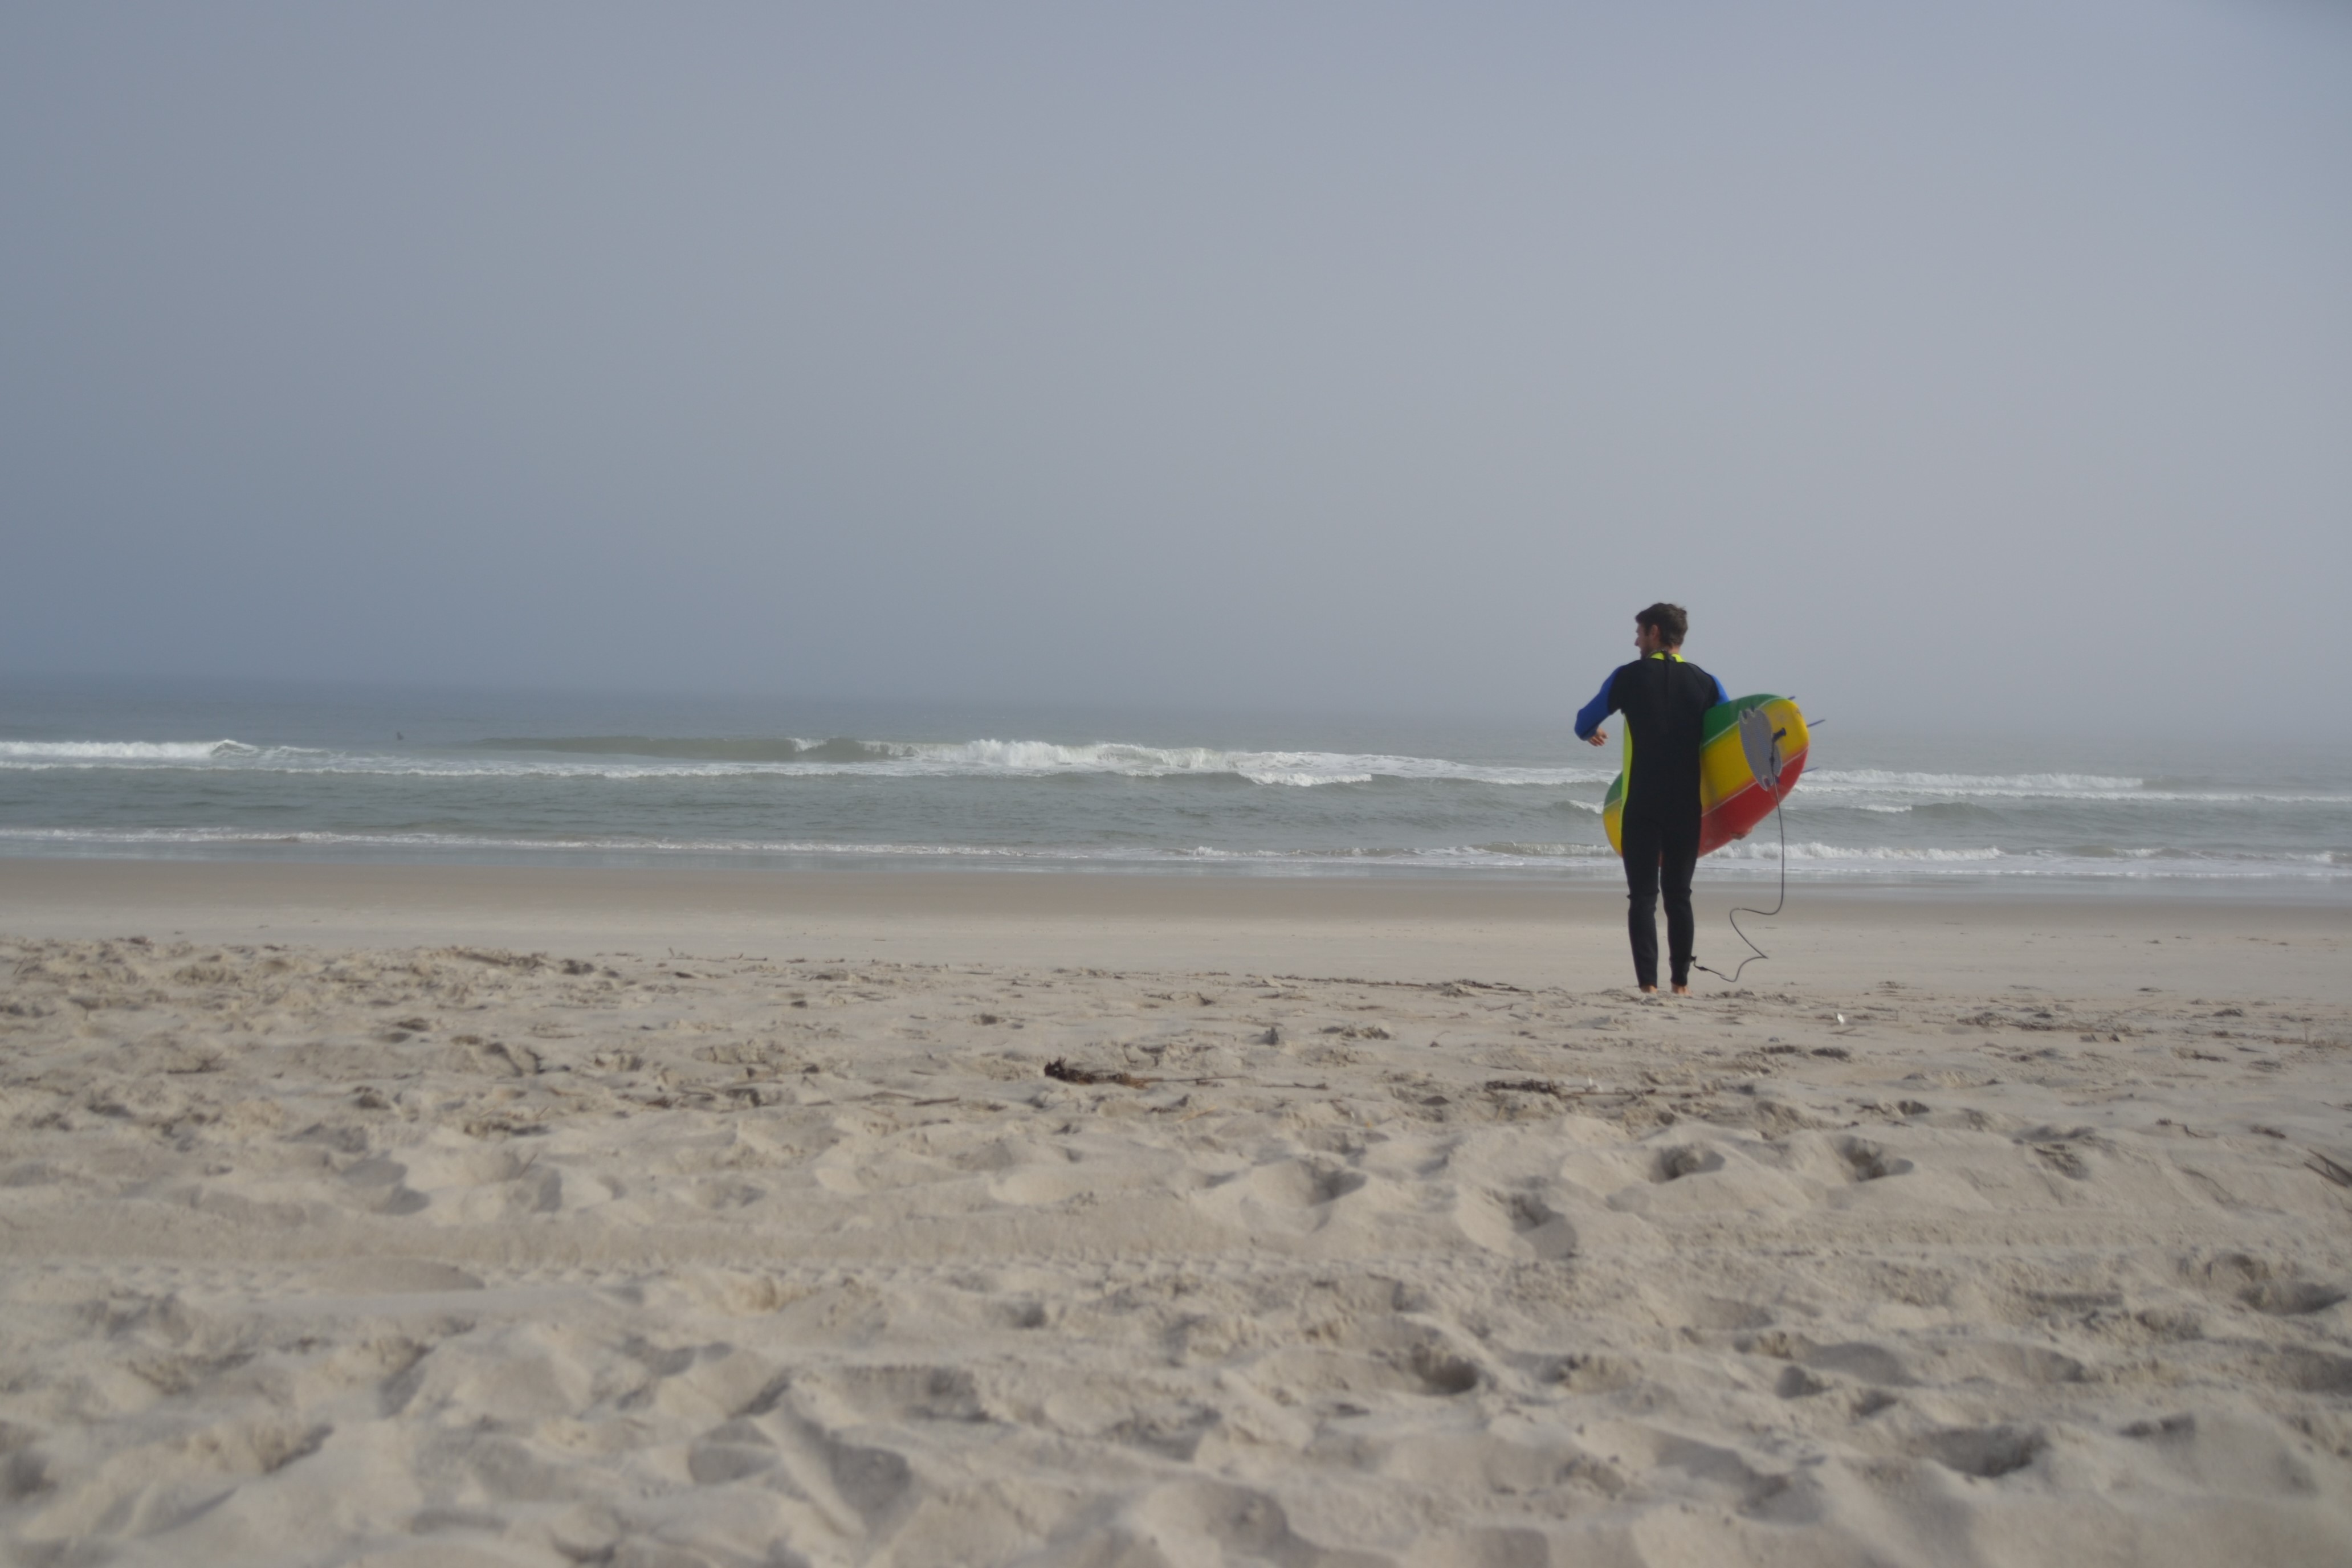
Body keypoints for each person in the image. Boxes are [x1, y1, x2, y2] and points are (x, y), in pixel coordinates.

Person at [1574, 603, 1727, 995]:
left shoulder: (1627, 676)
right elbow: (1728, 747)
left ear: (1654, 633)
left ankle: (1648, 987)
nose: (1635, 641)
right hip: (1686, 807)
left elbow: (1583, 722)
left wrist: (1591, 731)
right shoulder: (1707, 683)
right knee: (1679, 896)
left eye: (1639, 633)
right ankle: (1681, 985)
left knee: (1642, 898)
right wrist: (1738, 815)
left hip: (1641, 804)